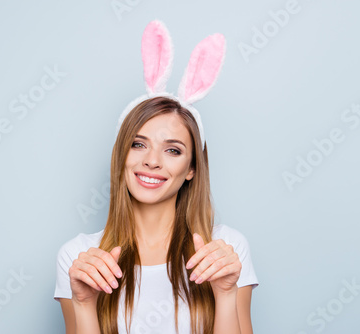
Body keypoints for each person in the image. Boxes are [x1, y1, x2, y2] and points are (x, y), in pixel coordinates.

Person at [54, 20, 258, 334]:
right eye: (138, 144)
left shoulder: (226, 249)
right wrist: (83, 303)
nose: (151, 161)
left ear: (192, 169)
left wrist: (226, 294)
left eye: (172, 150)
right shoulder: (79, 257)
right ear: (121, 154)